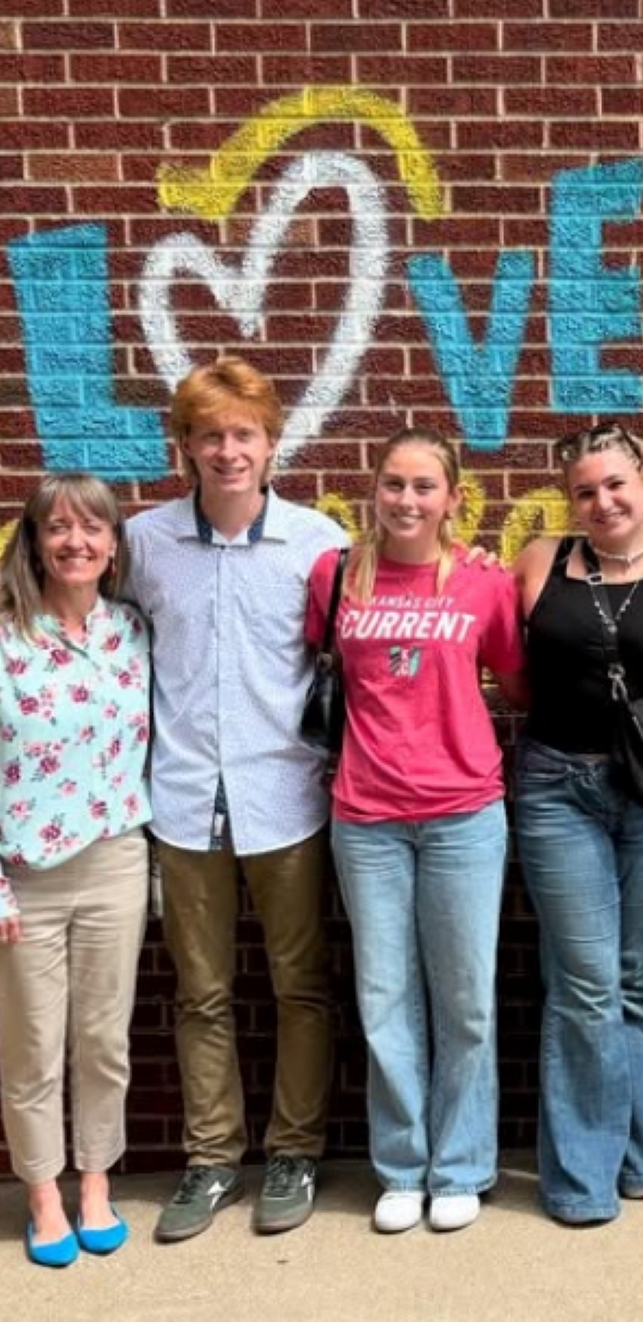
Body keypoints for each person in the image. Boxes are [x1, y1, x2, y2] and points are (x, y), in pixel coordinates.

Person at [126, 356, 348, 1242]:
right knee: (200, 991)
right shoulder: (142, 544)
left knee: (301, 984)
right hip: (182, 803)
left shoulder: (317, 542)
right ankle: (212, 1157)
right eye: (210, 434)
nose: (228, 450)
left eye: (243, 434)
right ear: (184, 444)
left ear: (270, 443)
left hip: (286, 797)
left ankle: (294, 1148)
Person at [306, 429, 525, 1234]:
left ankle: (461, 1164)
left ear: (453, 497)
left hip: (464, 810)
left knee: (466, 996)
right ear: (375, 490)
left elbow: (513, 676)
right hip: (366, 816)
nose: (407, 500)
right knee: (384, 995)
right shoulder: (336, 576)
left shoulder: (482, 583)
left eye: (424, 486)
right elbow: (312, 665)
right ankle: (401, 1165)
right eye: (394, 483)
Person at [512, 422, 643, 1224]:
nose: (603, 501)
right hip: (558, 787)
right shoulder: (540, 562)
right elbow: (514, 675)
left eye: (616, 484)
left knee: (625, 978)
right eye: (585, 490)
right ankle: (583, 1180)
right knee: (588, 982)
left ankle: (633, 1153)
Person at [0, 476, 151, 1268]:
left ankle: (95, 1181)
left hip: (118, 859)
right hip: (25, 873)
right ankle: (43, 1195)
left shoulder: (131, 630)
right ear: (33, 542)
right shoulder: (4, 636)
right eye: (58, 528)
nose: (76, 542)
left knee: (102, 1038)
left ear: (113, 544)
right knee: (31, 1045)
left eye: (93, 528)